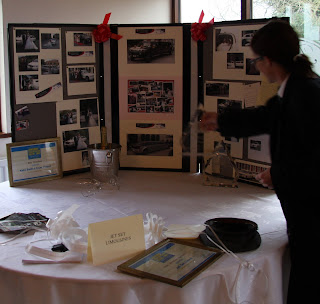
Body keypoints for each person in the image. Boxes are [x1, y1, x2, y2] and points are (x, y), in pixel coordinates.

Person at [200, 20, 320, 303]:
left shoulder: (306, 96)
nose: (256, 67)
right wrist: (220, 120)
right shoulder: (296, 89)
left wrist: (279, 174)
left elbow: (315, 162)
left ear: (267, 60)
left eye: (255, 61)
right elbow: (266, 117)